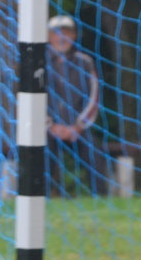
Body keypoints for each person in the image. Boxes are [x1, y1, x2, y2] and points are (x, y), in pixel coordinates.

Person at [45, 14, 108, 196]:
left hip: (77, 128)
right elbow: (32, 98)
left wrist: (78, 126)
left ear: (73, 35)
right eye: (56, 33)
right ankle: (42, 196)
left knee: (95, 152)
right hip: (48, 128)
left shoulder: (85, 62)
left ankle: (101, 197)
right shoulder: (39, 61)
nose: (61, 37)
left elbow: (94, 97)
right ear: (49, 36)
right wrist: (50, 125)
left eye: (66, 32)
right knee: (40, 154)